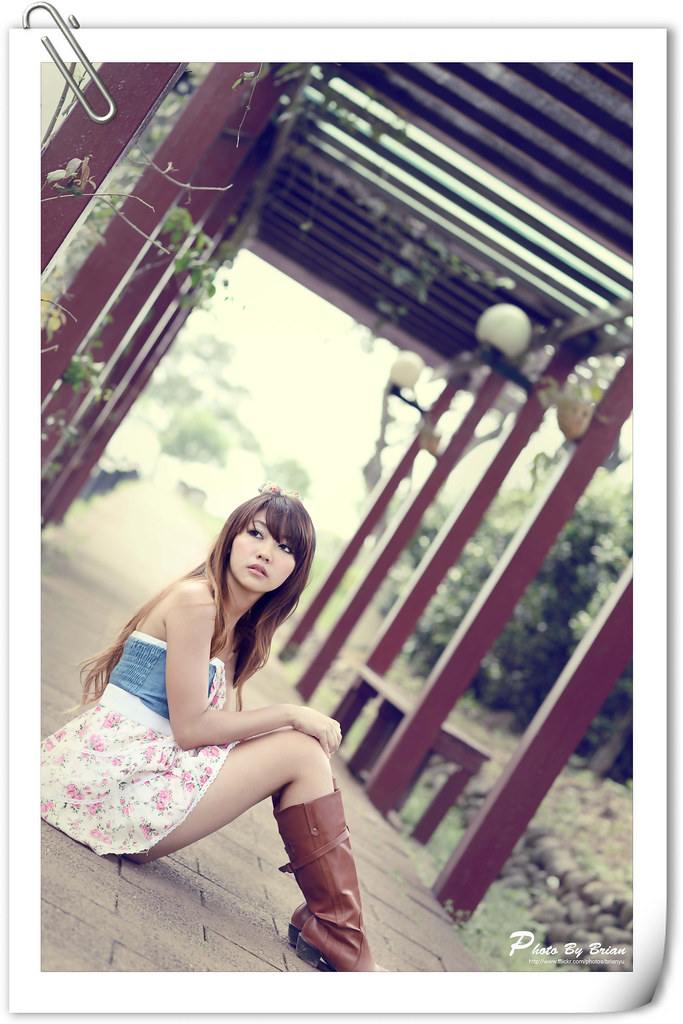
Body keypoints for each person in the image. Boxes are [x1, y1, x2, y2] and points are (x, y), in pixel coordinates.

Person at [40, 483, 378, 973]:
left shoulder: (238, 629)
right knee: (301, 751)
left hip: (141, 776)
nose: (266, 553)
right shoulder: (196, 602)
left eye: (285, 548)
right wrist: (289, 713)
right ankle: (340, 936)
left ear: (295, 571)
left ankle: (336, 929)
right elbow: (192, 730)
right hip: (112, 786)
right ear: (231, 536)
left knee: (300, 752)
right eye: (256, 534)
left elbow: (218, 731)